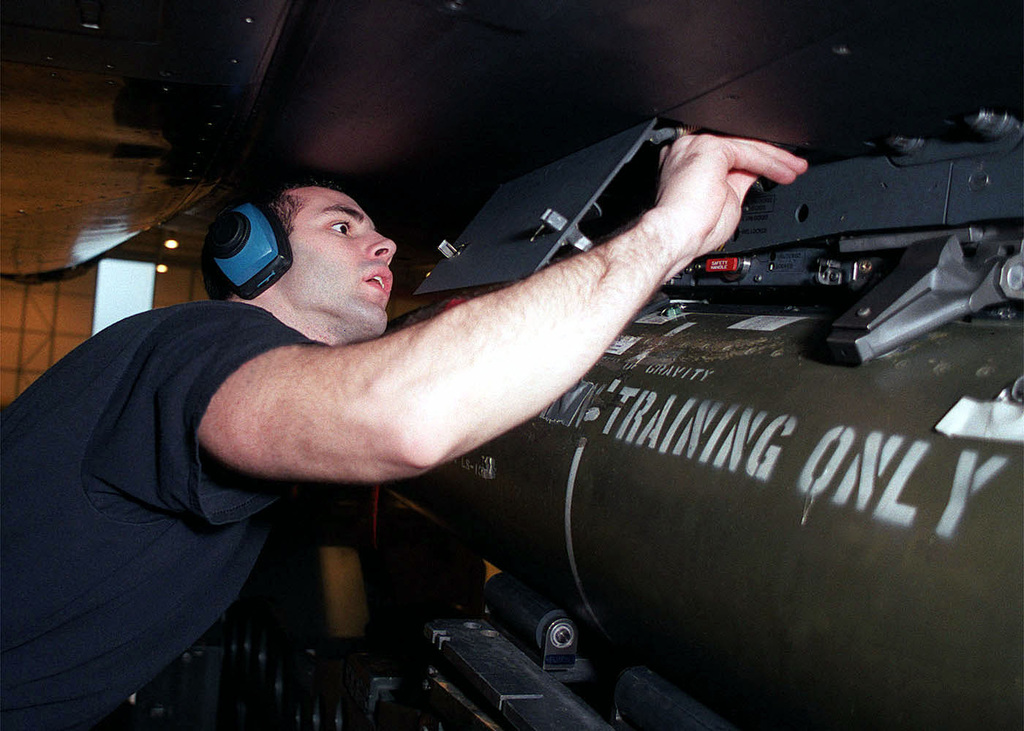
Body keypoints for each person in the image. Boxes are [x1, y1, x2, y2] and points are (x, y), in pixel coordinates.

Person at [0, 133, 807, 729]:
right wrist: (668, 233)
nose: (382, 239)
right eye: (342, 226)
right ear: (251, 257)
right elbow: (403, 416)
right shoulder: (201, 344)